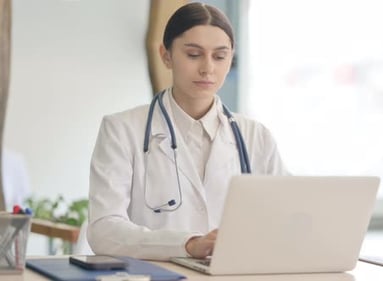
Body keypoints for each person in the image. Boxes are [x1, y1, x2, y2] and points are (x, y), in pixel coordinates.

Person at [87, 2, 287, 261]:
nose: (207, 68)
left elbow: (285, 217)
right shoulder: (121, 130)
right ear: (166, 55)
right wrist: (186, 244)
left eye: (219, 56)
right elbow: (104, 230)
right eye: (194, 55)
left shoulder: (256, 137)